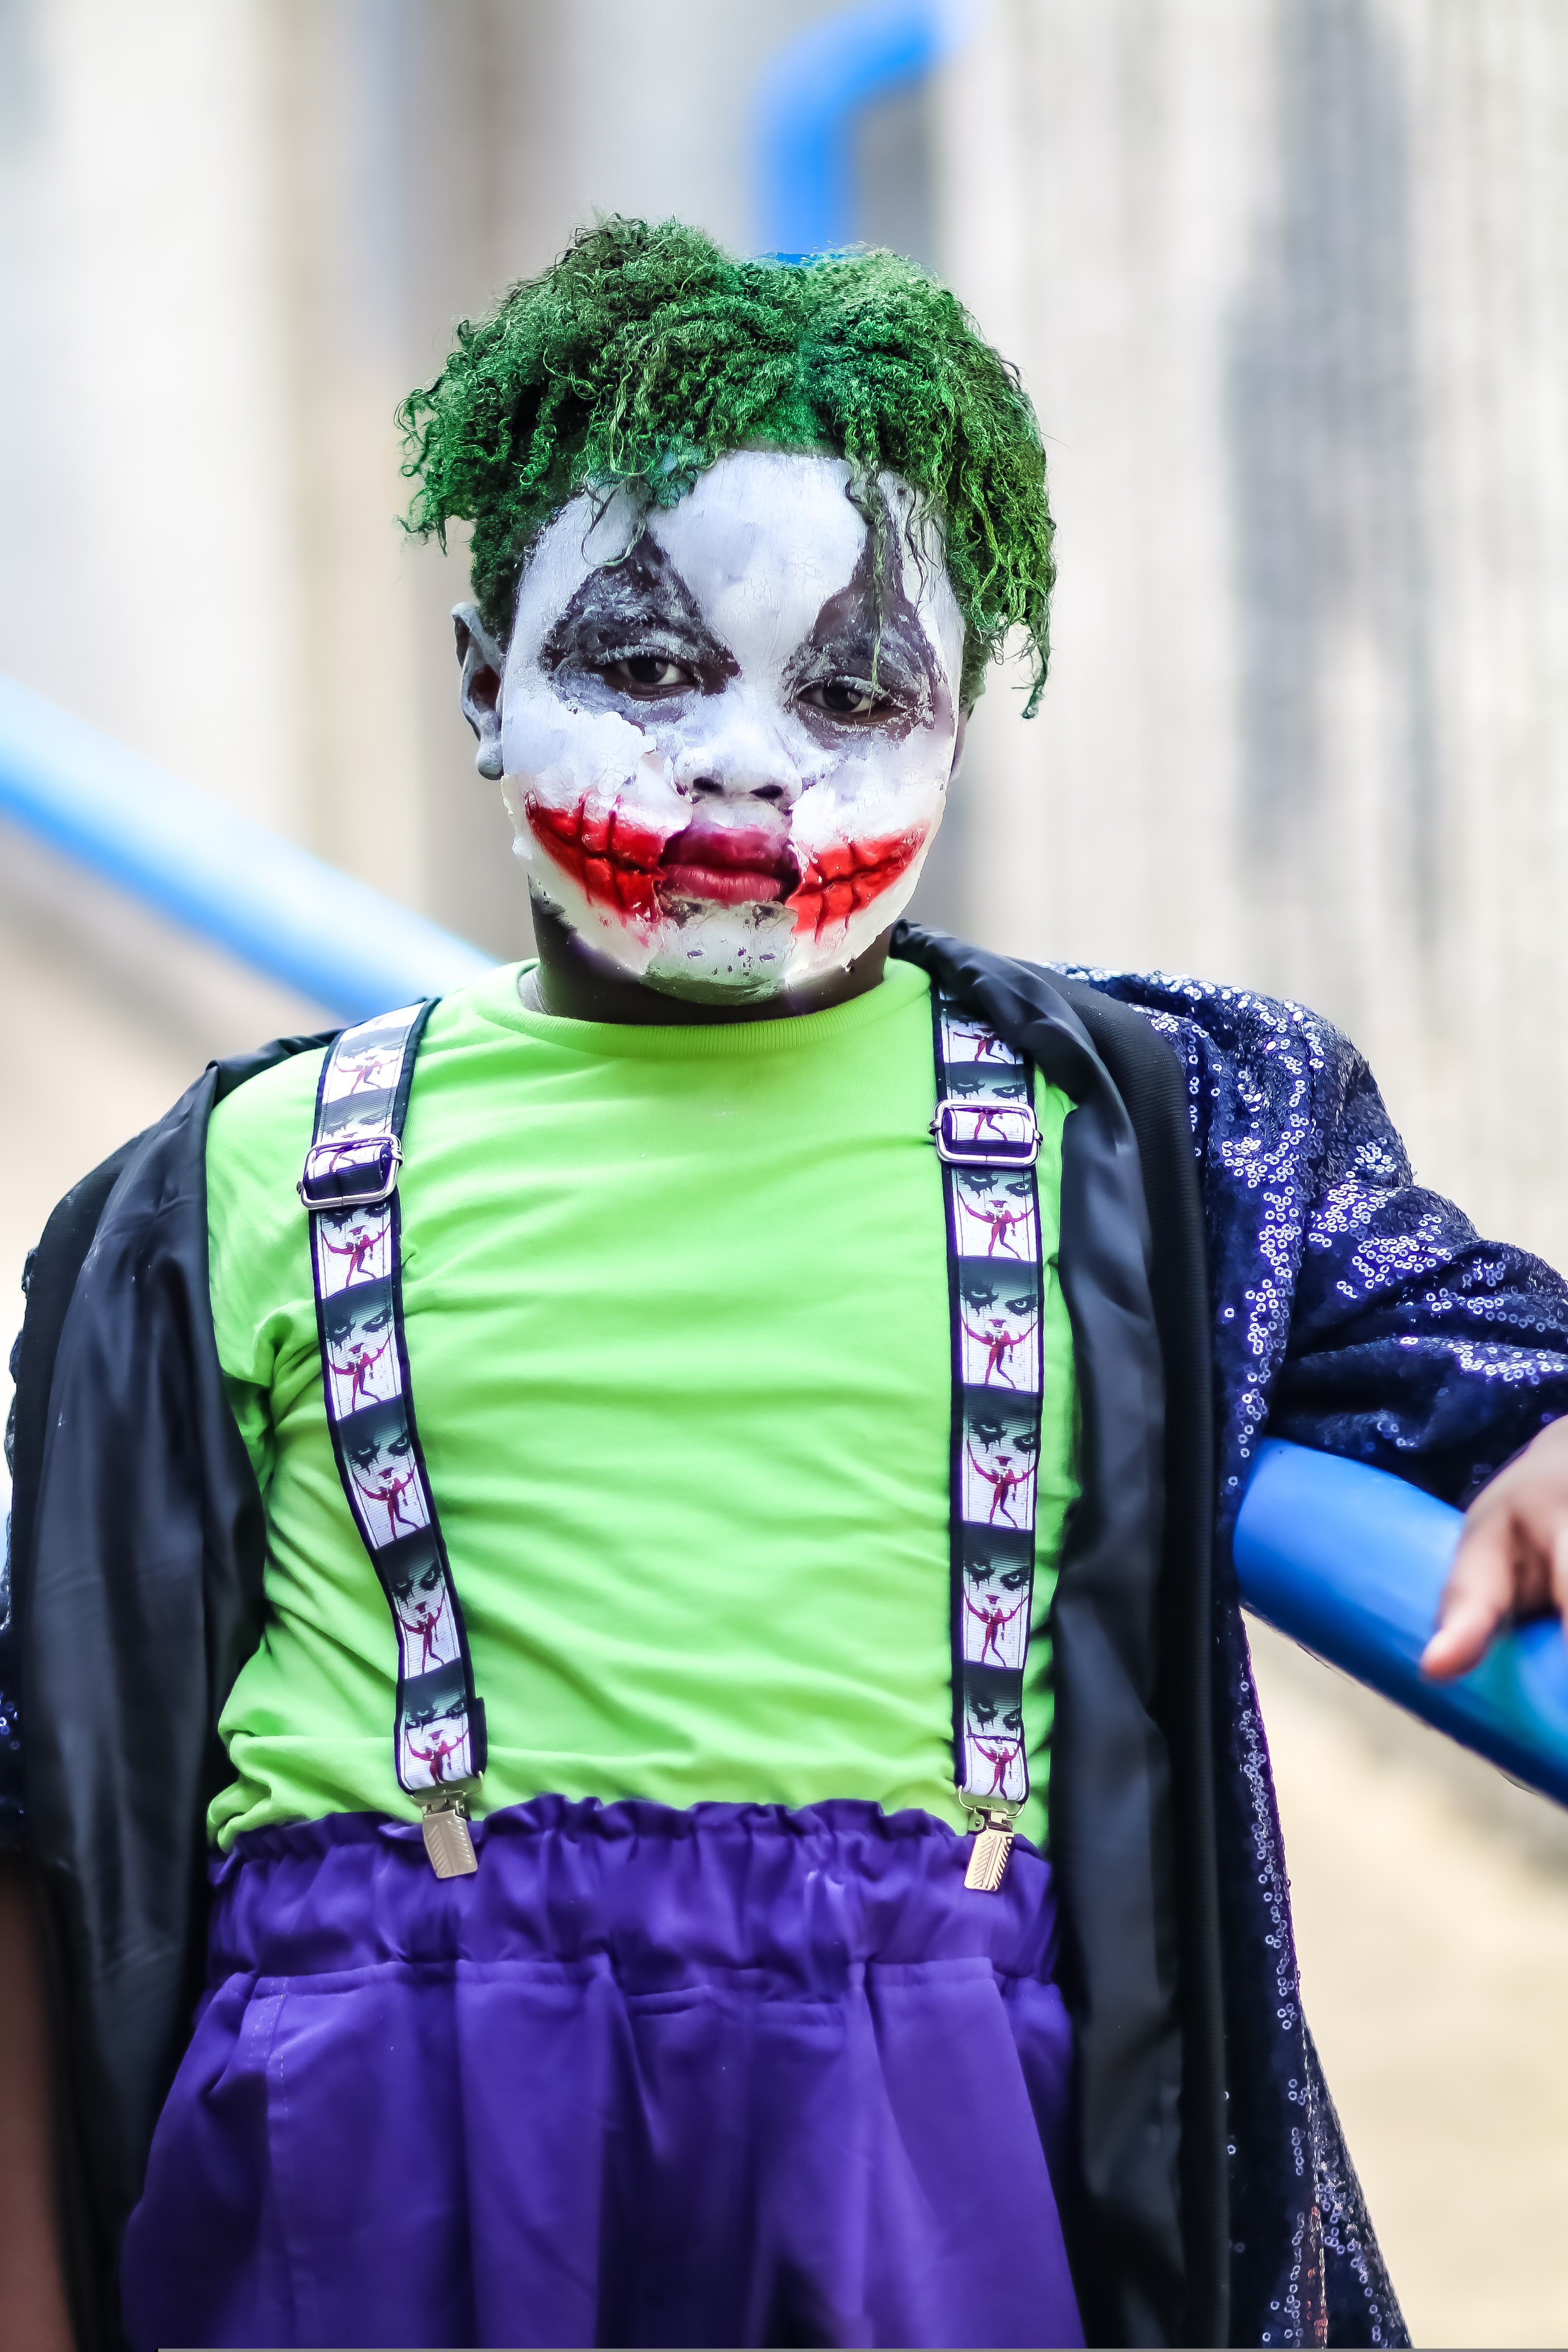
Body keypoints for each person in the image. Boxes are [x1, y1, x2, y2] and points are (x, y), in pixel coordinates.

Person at [5, 217, 1568, 2352]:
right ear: (480, 682)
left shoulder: (1152, 1138)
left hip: (922, 2139)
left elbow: (1484, 1347)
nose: (749, 763)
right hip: (381, 2152)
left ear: (958, 729)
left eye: (852, 692)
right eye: (648, 666)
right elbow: (44, 1790)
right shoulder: (228, 1184)